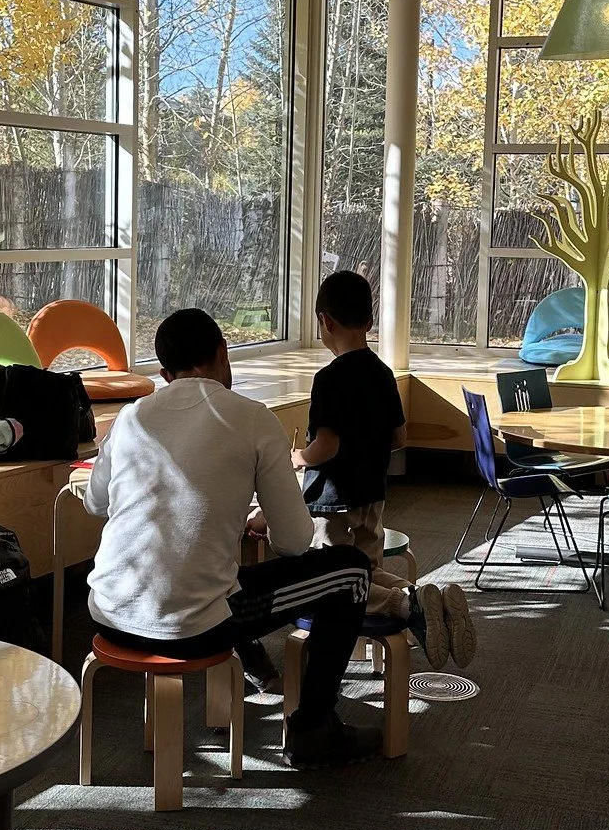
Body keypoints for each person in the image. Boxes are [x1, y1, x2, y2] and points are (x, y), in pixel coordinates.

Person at [84, 307, 382, 768]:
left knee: (222, 573)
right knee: (352, 572)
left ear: (164, 374)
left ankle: (262, 674)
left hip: (107, 613)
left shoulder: (131, 418)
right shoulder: (252, 418)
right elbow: (295, 542)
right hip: (192, 630)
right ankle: (314, 730)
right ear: (223, 353)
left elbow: (96, 505)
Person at [292, 270, 477, 669]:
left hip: (331, 501)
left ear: (324, 322)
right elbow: (399, 437)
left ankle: (406, 604)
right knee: (368, 569)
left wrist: (297, 458)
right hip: (373, 493)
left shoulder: (328, 379)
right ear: (370, 323)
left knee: (339, 581)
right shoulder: (382, 373)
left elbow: (327, 446)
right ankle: (431, 598)